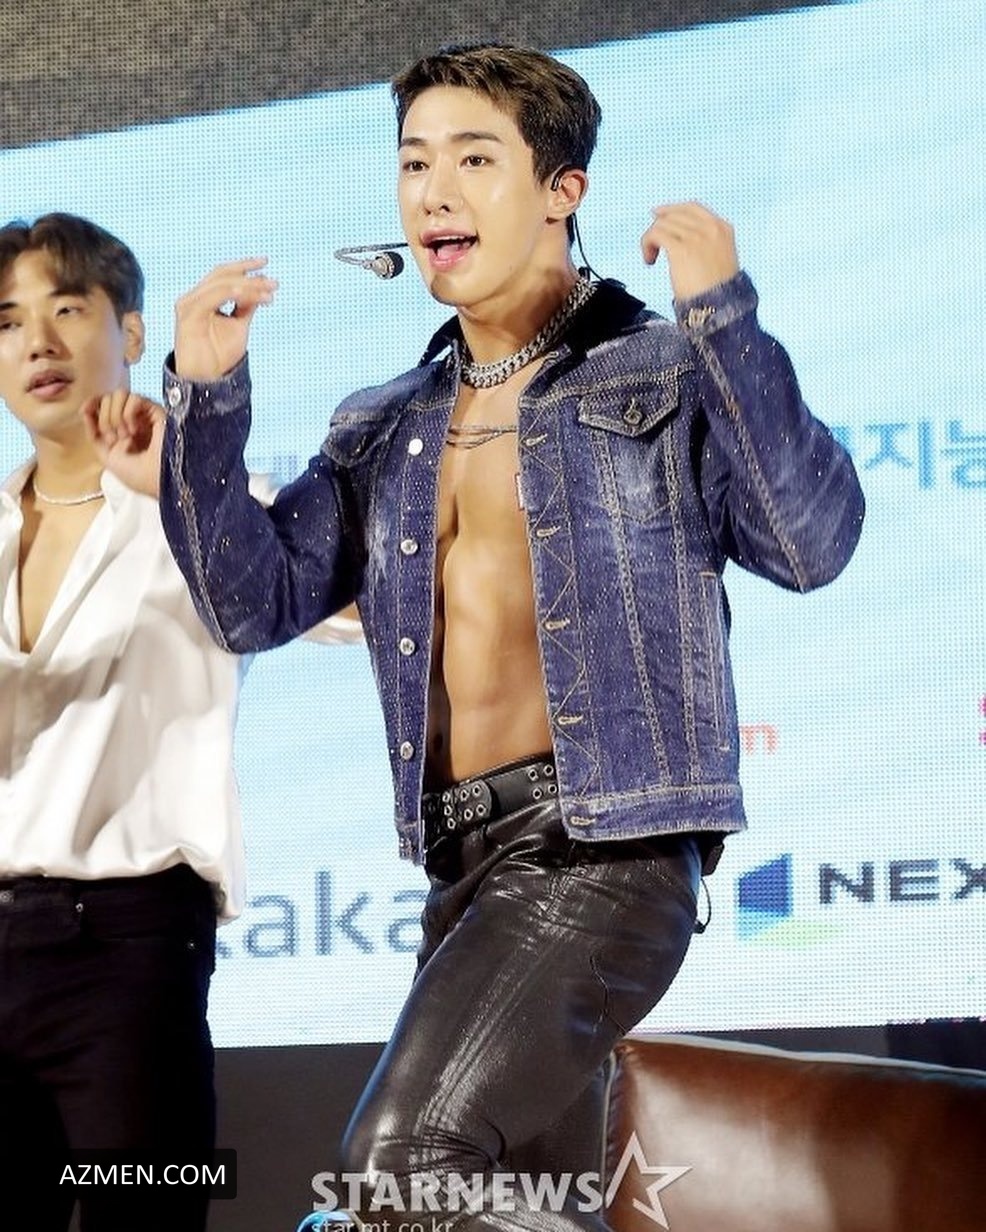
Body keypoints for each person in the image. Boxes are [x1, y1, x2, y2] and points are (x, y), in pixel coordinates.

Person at [93, 44, 864, 1231]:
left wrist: (722, 315)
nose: (432, 191)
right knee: (509, 1199)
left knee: (400, 1166)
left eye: (470, 159)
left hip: (603, 850)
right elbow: (254, 603)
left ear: (561, 188)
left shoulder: (658, 368)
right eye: (412, 164)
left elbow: (808, 542)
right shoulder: (384, 422)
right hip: (464, 870)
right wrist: (204, 405)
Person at [0, 212, 357, 1232]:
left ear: (130, 330)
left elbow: (371, 611)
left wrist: (179, 485)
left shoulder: (197, 509)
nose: (37, 343)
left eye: (68, 309)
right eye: (8, 321)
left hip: (130, 954)